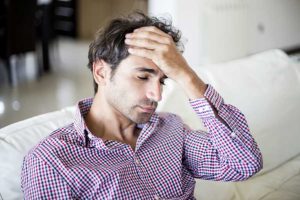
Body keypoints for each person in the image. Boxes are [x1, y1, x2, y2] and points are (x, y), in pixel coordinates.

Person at [21, 12, 263, 199]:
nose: (156, 94)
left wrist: (187, 76)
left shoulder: (171, 129)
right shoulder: (51, 162)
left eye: (163, 80)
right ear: (101, 72)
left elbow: (245, 164)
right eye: (142, 76)